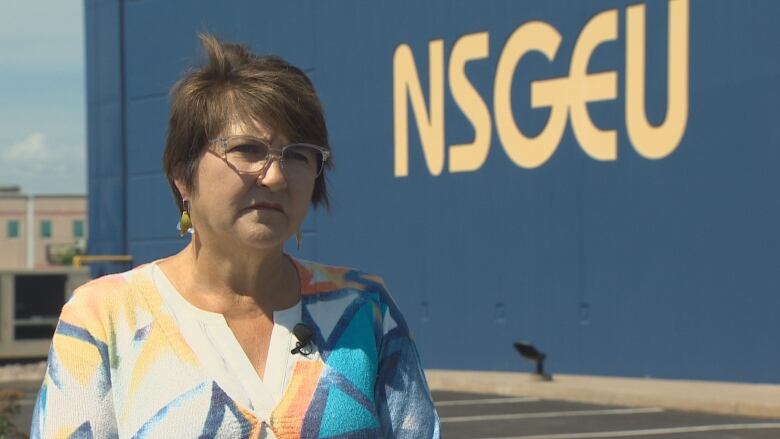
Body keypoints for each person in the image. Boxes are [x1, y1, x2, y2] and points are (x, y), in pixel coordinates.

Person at [31, 34, 440, 439]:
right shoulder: (105, 318)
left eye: (298, 155)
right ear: (182, 175)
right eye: (247, 150)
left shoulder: (365, 311)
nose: (276, 176)